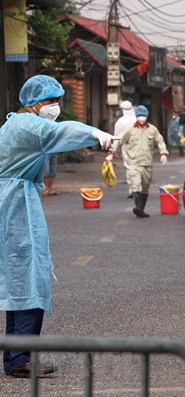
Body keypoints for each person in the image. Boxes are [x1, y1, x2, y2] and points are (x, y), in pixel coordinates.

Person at [0, 75, 115, 378]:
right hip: (16, 206)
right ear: (35, 102)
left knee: (18, 280)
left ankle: (14, 355)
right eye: (51, 101)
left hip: (12, 203)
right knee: (29, 278)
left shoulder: (15, 123)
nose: (56, 107)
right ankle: (19, 357)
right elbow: (62, 131)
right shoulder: (29, 125)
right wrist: (95, 132)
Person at [106, 105, 169, 218]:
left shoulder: (152, 129)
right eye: (139, 115)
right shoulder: (130, 130)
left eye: (143, 116)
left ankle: (141, 209)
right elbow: (118, 141)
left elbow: (160, 141)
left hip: (147, 164)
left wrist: (163, 153)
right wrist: (111, 153)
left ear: (147, 116)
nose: (141, 118)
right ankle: (138, 207)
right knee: (135, 185)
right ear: (136, 116)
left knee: (145, 186)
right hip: (133, 163)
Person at [114, 100, 136, 198]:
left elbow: (117, 138)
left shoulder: (120, 121)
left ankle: (132, 189)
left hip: (126, 147)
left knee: (129, 167)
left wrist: (114, 151)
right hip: (139, 146)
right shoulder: (137, 118)